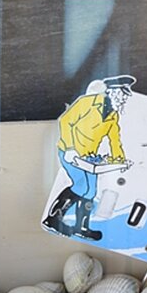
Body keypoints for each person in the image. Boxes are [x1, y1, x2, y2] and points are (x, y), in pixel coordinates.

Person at [43, 75, 136, 240]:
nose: (124, 99)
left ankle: (82, 227)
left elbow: (114, 139)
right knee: (80, 187)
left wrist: (121, 159)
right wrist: (71, 148)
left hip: (88, 158)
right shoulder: (87, 103)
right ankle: (53, 219)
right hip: (70, 152)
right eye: (122, 94)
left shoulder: (113, 116)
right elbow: (65, 121)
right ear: (112, 92)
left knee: (91, 191)